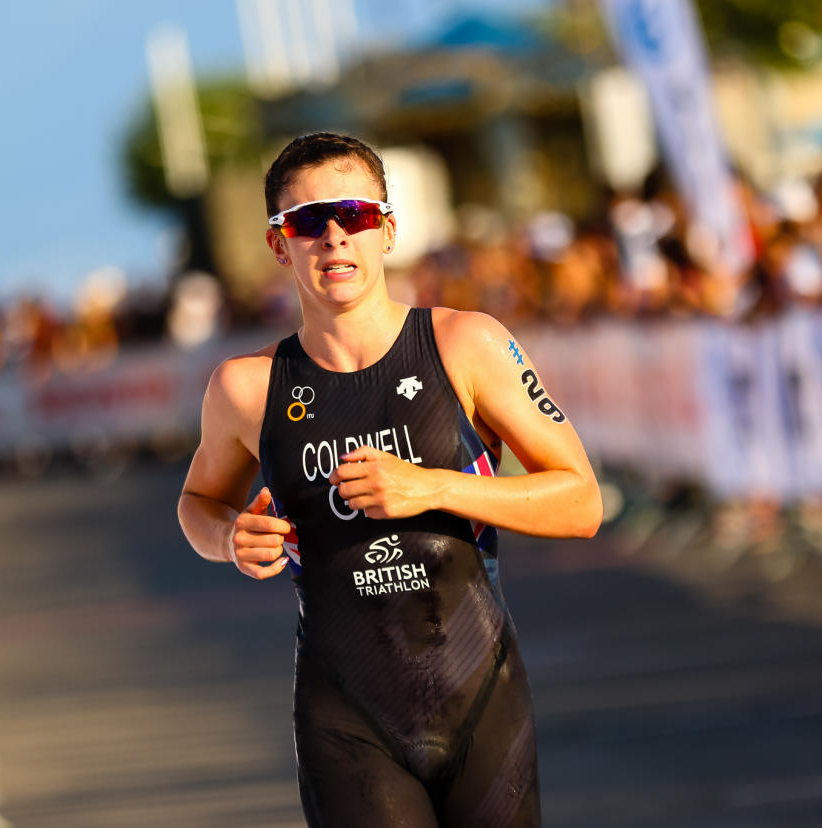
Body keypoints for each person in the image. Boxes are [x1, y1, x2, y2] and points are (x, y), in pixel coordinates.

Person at [177, 132, 602, 826]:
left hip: (479, 698)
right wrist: (227, 539)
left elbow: (582, 499)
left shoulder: (466, 344)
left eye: (356, 215)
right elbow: (197, 504)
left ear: (389, 230)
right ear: (280, 246)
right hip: (346, 713)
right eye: (309, 222)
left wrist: (433, 487)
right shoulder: (247, 388)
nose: (335, 238)